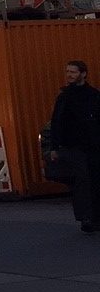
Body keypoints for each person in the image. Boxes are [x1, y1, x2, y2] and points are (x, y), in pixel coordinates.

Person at [48, 59, 100, 233]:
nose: (69, 75)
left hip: (93, 146)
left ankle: (95, 217)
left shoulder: (94, 96)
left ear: (83, 74)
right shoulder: (64, 97)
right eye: (68, 72)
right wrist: (54, 148)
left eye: (73, 72)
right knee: (82, 182)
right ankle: (86, 218)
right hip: (73, 147)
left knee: (95, 181)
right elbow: (56, 122)